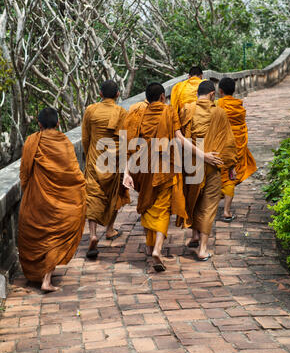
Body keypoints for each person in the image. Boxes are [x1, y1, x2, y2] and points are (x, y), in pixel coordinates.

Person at [123, 82, 223, 272]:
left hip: (142, 167)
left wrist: (126, 172)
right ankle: (158, 249)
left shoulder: (138, 113)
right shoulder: (169, 112)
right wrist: (203, 155)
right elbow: (179, 138)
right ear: (162, 97)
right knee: (162, 208)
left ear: (147, 98)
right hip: (165, 167)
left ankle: (149, 245)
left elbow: (129, 144)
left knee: (147, 205)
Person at [18, 107, 86, 292]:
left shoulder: (32, 141)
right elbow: (73, 173)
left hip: (37, 199)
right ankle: (46, 279)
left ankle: (44, 277)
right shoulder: (64, 142)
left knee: (43, 235)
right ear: (58, 123)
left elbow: (24, 173)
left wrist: (28, 193)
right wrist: (82, 191)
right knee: (55, 234)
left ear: (39, 124)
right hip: (61, 200)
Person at [179, 80, 238, 261]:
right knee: (208, 205)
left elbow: (178, 136)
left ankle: (194, 235)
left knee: (193, 199)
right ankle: (203, 248)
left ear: (198, 94)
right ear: (212, 94)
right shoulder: (219, 112)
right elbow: (228, 142)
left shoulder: (186, 110)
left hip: (191, 164)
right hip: (213, 164)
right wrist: (231, 167)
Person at [82, 80, 130, 259]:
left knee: (93, 196)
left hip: (95, 159)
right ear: (117, 95)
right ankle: (110, 229)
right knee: (115, 193)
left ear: (100, 94)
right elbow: (125, 139)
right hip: (114, 160)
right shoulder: (122, 112)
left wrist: (90, 156)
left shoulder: (91, 110)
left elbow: (85, 138)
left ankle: (93, 234)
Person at [217, 77, 257, 221]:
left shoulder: (218, 105)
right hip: (236, 145)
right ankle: (226, 211)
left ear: (219, 90)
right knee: (230, 177)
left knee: (219, 175)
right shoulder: (239, 107)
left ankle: (210, 206)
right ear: (234, 90)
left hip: (222, 145)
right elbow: (242, 127)